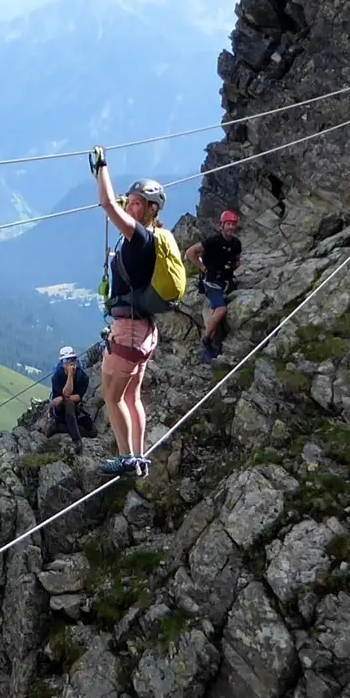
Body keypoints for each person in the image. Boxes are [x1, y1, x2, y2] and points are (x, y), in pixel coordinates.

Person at [91, 150, 183, 479]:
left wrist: (101, 168)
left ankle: (128, 459)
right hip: (144, 330)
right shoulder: (151, 238)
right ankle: (139, 457)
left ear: (151, 209)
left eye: (137, 203)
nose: (131, 206)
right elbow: (114, 203)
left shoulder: (139, 236)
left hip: (128, 330)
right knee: (132, 395)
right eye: (129, 201)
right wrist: (120, 195)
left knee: (111, 397)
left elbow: (107, 205)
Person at [185, 210, 244, 363]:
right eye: (228, 224)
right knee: (221, 310)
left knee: (216, 311)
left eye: (233, 224)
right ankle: (205, 340)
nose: (231, 227)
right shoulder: (213, 242)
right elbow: (191, 252)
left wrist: (234, 266)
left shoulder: (236, 243)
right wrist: (203, 268)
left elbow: (237, 260)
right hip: (212, 282)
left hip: (227, 281)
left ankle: (210, 344)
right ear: (222, 225)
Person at [41, 346, 91, 447]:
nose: (70, 363)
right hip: (59, 411)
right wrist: (70, 376)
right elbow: (65, 395)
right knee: (69, 403)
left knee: (93, 431)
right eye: (66, 360)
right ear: (62, 363)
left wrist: (63, 398)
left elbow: (78, 397)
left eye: (72, 359)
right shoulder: (57, 376)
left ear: (76, 360)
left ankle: (59, 428)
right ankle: (76, 439)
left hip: (74, 410)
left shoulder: (82, 376)